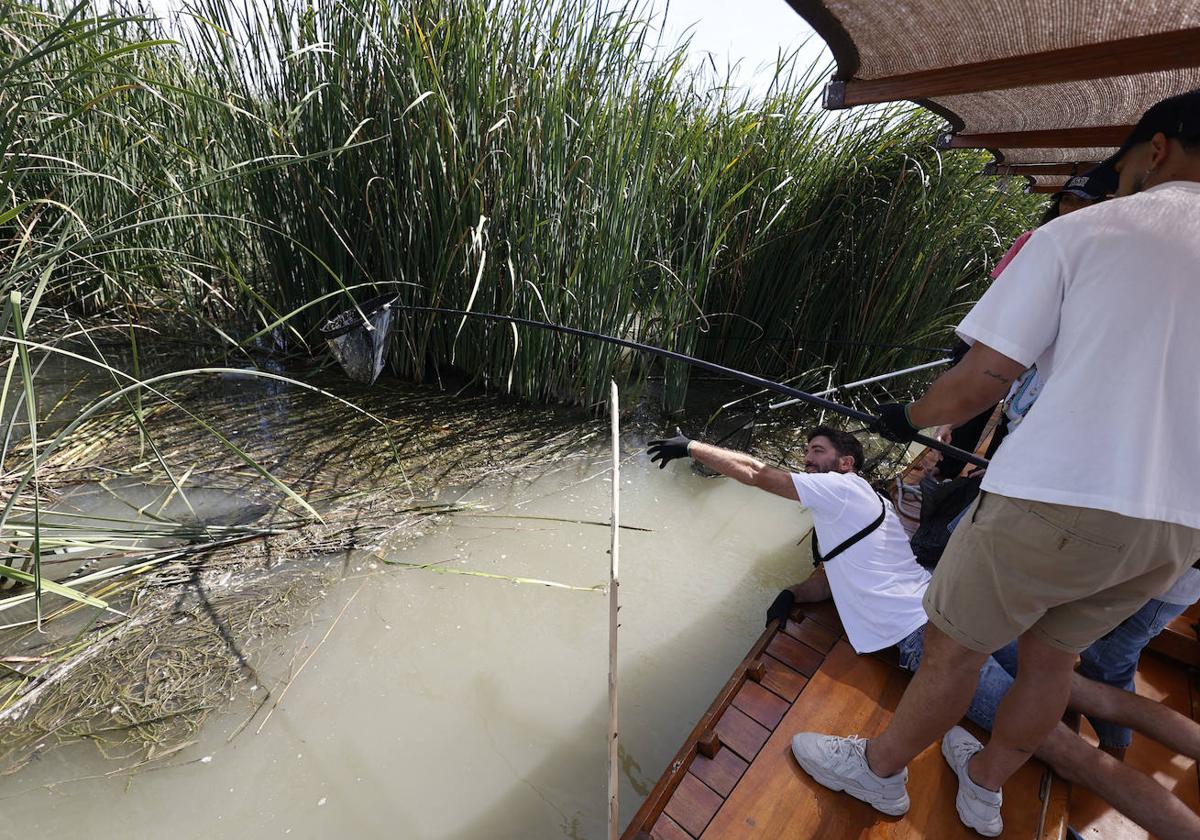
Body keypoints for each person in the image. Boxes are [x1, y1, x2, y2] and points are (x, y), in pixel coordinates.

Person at [789, 88, 1200, 836]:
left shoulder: (1091, 231)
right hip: (1176, 532)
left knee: (954, 647)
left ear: (1160, 146)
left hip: (1058, 498)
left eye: (1130, 161)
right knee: (1053, 661)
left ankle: (878, 774)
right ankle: (984, 787)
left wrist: (905, 418)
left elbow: (983, 378)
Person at [645, 428, 1200, 838]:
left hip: (926, 634)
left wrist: (693, 448)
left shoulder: (840, 489)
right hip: (955, 609)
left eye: (817, 452)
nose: (805, 460)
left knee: (1058, 748)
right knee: (1082, 691)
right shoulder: (862, 506)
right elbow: (850, 573)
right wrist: (798, 592)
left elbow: (755, 472)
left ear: (846, 462)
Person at [935, 170, 1108, 478]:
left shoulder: (1104, 255)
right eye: (1067, 200)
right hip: (1012, 342)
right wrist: (971, 349)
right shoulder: (1031, 240)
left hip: (1050, 355)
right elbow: (999, 297)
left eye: (1084, 202)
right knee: (972, 413)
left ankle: (988, 483)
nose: (1072, 209)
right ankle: (945, 480)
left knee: (1012, 423)